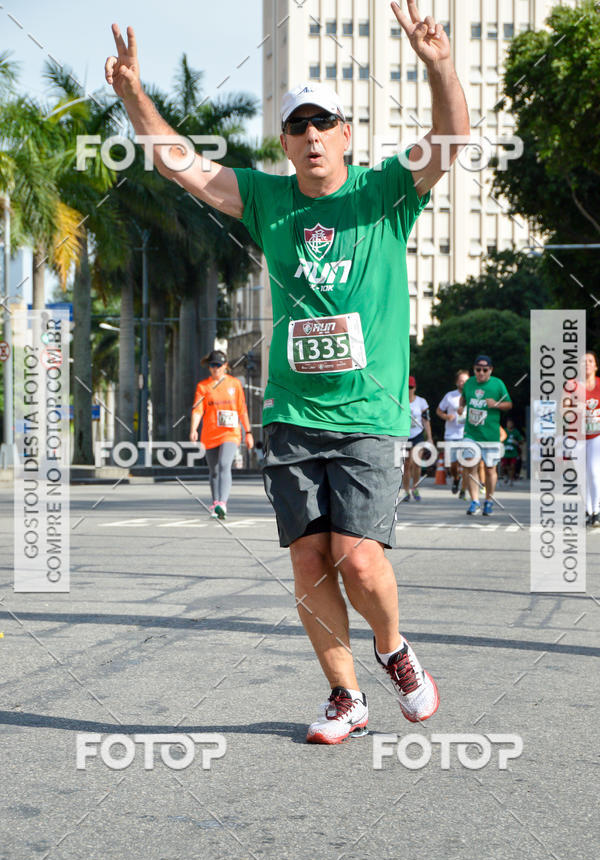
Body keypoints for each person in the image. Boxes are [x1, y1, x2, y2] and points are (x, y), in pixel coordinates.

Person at [105, 0, 469, 744]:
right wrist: (132, 97)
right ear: (285, 140)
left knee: (358, 560)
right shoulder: (267, 199)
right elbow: (184, 167)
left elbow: (449, 141)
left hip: (367, 411)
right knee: (309, 556)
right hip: (292, 413)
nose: (310, 137)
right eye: (297, 126)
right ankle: (346, 697)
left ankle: (393, 651)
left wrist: (439, 67)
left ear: (345, 135)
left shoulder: (383, 192)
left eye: (322, 124)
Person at [189, 350, 254, 519]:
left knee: (225, 464)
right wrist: (193, 429)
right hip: (210, 434)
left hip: (230, 433)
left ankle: (222, 503)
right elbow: (197, 410)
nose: (215, 369)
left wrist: (248, 432)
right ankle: (215, 502)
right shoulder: (203, 387)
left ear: (225, 366)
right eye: (212, 365)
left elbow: (242, 410)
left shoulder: (234, 385)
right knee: (214, 470)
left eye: (218, 365)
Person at [459, 354, 513, 516]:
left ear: (491, 370)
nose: (481, 373)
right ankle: (474, 501)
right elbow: (463, 399)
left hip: (491, 435)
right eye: (478, 369)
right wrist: (461, 407)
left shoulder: (498, 384)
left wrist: (496, 404)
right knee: (470, 464)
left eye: (485, 370)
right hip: (471, 433)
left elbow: (509, 404)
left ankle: (488, 501)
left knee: (490, 469)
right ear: (474, 370)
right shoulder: (469, 383)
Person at [436, 369, 469, 496]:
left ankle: (464, 489)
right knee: (453, 464)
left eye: (466, 381)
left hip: (466, 434)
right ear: (456, 382)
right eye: (461, 380)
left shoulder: (472, 395)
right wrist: (446, 417)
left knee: (467, 462)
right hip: (451, 434)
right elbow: (439, 411)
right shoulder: (450, 396)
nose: (463, 383)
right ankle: (456, 479)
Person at [401, 376, 433, 502]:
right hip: (404, 435)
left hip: (418, 434)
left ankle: (415, 487)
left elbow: (426, 420)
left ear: (415, 388)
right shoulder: (400, 400)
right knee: (407, 464)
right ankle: (406, 491)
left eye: (411, 387)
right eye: (407, 387)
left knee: (417, 462)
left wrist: (429, 437)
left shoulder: (421, 402)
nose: (409, 390)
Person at [585, 350, 600, 527]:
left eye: (590, 361)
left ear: (595, 365)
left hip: (597, 434)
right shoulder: (572, 386)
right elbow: (563, 410)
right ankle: (588, 510)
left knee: (594, 471)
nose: (587, 364)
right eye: (584, 361)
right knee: (583, 476)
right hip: (578, 435)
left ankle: (596, 510)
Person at [501, 418, 524, 486]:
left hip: (513, 453)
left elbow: (521, 441)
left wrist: (516, 442)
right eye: (508, 423)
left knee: (512, 466)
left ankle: (511, 479)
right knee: (504, 466)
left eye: (511, 423)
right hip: (504, 453)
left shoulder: (516, 432)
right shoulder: (504, 431)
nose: (509, 424)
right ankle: (505, 476)